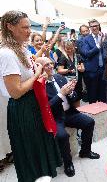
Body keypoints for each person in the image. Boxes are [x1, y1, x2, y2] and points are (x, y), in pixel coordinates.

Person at [0, 10, 62, 182]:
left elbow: (31, 63)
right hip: (23, 109)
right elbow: (16, 91)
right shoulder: (7, 53)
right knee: (32, 154)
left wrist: (39, 62)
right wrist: (37, 75)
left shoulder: (20, 48)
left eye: (29, 27)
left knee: (39, 151)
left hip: (33, 104)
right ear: (10, 27)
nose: (29, 31)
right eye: (25, 27)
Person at [36, 57, 99, 177]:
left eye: (51, 63)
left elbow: (75, 97)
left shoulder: (59, 78)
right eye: (46, 65)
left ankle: (85, 151)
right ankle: (68, 163)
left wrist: (71, 92)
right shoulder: (40, 84)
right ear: (39, 68)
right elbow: (46, 107)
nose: (50, 66)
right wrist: (61, 94)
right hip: (55, 117)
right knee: (62, 135)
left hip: (69, 113)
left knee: (89, 122)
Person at [80, 19, 107, 103]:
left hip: (103, 70)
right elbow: (87, 53)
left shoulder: (104, 37)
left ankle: (103, 114)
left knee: (103, 96)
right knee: (92, 96)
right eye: (92, 26)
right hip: (91, 71)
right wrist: (99, 45)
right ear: (90, 28)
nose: (95, 27)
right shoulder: (85, 39)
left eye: (96, 25)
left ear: (99, 26)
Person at [57, 40, 85, 106]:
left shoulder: (78, 56)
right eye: (67, 49)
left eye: (71, 48)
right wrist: (68, 70)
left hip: (78, 83)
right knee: (69, 102)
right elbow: (59, 70)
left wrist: (81, 69)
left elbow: (83, 68)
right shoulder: (63, 57)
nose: (69, 50)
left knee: (77, 100)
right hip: (68, 83)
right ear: (64, 48)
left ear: (74, 47)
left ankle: (78, 114)